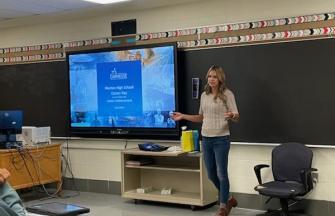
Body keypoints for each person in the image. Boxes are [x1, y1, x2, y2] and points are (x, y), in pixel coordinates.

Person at [172, 65, 239, 216]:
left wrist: (232, 116)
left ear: (220, 78)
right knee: (211, 174)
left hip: (222, 139)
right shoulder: (204, 95)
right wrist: (183, 116)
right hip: (206, 139)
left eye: (215, 77)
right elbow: (201, 117)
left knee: (222, 173)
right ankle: (228, 198)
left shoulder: (228, 94)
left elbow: (236, 116)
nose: (211, 79)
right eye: (209, 76)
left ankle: (222, 207)